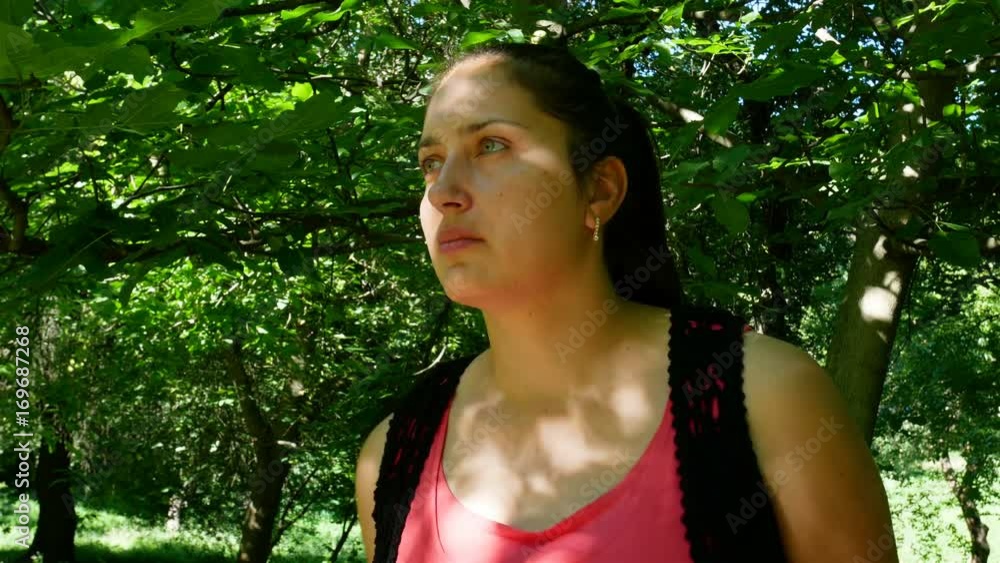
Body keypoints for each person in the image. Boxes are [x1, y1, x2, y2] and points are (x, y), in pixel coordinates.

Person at [355, 42, 899, 563]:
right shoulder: (393, 456)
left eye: (491, 145)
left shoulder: (764, 397)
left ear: (600, 189)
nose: (442, 190)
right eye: (430, 161)